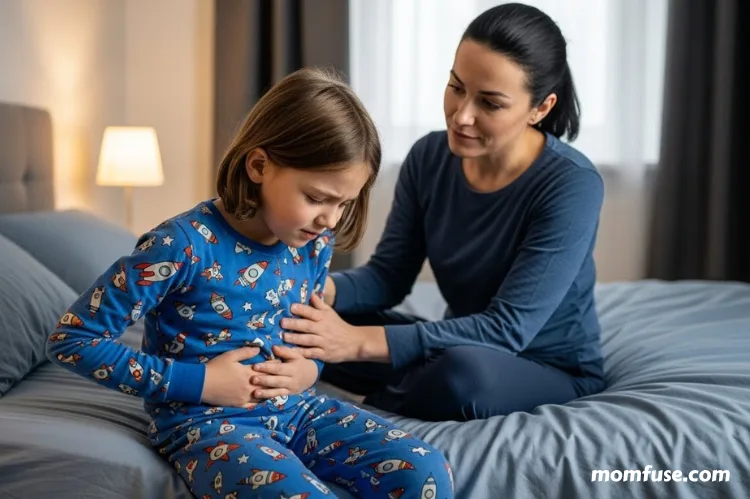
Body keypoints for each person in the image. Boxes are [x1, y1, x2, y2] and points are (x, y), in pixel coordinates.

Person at [47, 67, 454, 499]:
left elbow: (307, 337)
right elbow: (72, 339)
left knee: (425, 471)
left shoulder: (314, 244)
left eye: (344, 203)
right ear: (259, 165)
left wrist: (308, 370)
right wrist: (200, 383)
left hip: (298, 409)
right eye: (316, 198)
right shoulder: (180, 246)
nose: (330, 219)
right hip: (206, 424)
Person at [281, 3, 607, 422]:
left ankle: (364, 404)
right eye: (456, 86)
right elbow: (387, 277)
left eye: (490, 103)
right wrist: (315, 289)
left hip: (541, 365)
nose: (462, 115)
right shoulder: (429, 156)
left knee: (461, 375)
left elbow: (506, 329)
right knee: (301, 315)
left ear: (540, 108)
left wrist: (356, 343)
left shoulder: (572, 184)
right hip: (457, 342)